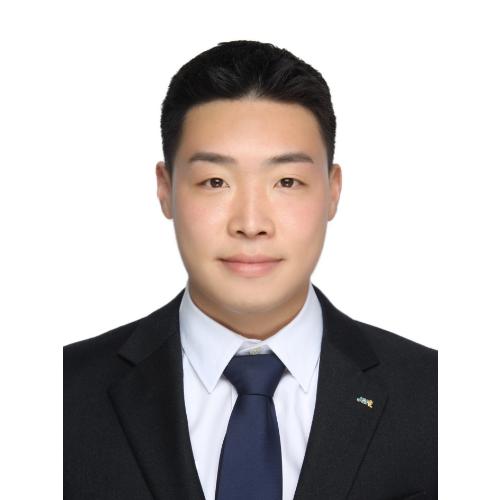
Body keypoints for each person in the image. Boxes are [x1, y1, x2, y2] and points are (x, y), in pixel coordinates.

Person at [64, 40, 437, 500]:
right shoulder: (62, 394)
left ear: (332, 191)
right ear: (166, 189)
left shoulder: (435, 395)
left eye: (287, 181)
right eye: (215, 182)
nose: (251, 223)